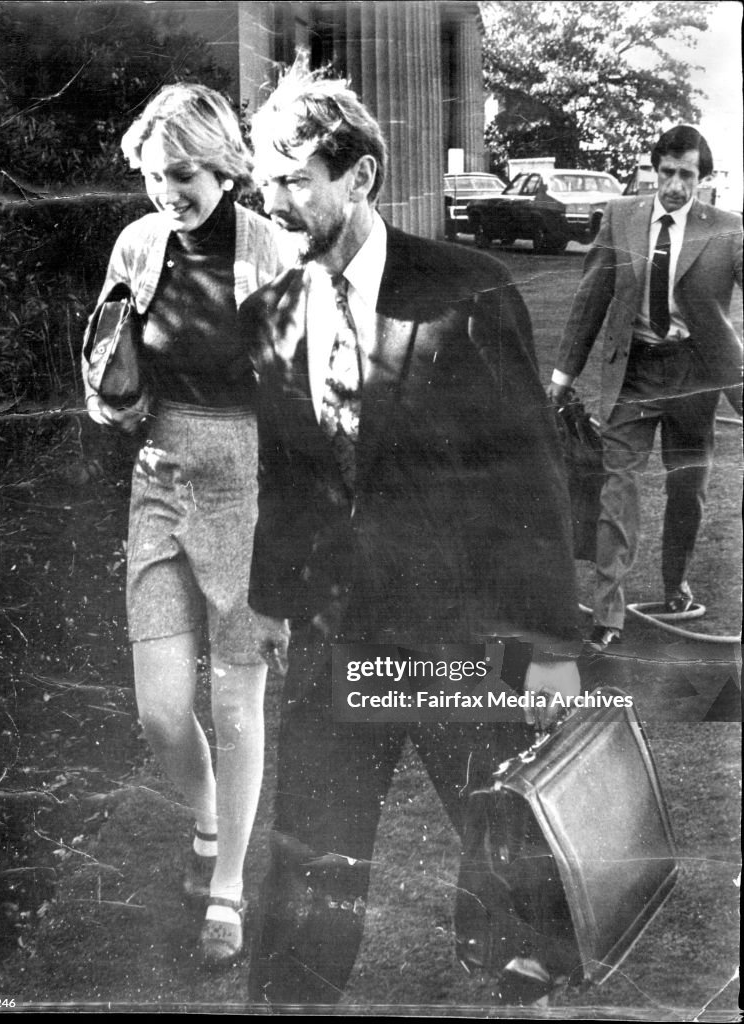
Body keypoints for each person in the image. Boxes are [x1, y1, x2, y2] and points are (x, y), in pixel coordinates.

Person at [239, 57, 582, 1007]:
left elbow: (531, 472)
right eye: (263, 185)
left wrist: (551, 643)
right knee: (310, 840)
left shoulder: (466, 292)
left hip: (450, 630)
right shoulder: (267, 316)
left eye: (294, 183)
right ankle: (293, 993)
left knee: (493, 816)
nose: (274, 205)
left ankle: (528, 951)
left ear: (362, 177)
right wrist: (270, 597)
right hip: (332, 629)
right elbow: (287, 475)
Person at [82, 83, 288, 966]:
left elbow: (309, 397)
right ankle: (207, 822)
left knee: (236, 705)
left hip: (250, 483)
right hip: (161, 478)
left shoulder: (270, 249)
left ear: (226, 167)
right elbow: (103, 364)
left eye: (184, 176)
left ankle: (228, 887)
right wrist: (111, 399)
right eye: (154, 178)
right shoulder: (138, 243)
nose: (168, 193)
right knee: (163, 710)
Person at [548, 125, 743, 652]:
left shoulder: (728, 229)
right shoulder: (620, 217)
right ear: (652, 170)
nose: (676, 185)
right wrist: (561, 380)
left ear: (703, 179)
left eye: (688, 175)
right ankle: (608, 615)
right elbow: (590, 301)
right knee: (618, 488)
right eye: (668, 172)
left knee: (689, 489)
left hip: (693, 377)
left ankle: (675, 586)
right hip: (631, 372)